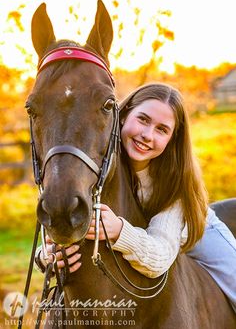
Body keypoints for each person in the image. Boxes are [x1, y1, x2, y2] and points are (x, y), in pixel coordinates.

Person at [36, 83, 236, 312]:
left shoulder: (175, 181)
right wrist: (46, 255)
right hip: (146, 234)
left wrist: (119, 230)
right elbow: (64, 209)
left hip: (195, 233)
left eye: (162, 129)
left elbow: (159, 256)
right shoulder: (99, 162)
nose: (147, 135)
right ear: (122, 115)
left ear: (172, 138)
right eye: (143, 119)